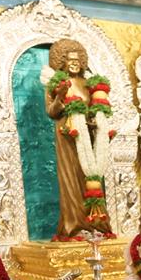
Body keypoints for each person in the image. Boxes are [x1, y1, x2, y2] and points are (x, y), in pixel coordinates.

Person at [45, 39, 113, 239]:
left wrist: (96, 124)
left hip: (90, 136)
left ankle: (97, 225)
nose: (74, 64)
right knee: (71, 180)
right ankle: (74, 225)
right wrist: (60, 97)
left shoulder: (88, 84)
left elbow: (96, 110)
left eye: (77, 60)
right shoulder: (56, 84)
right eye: (69, 60)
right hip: (67, 135)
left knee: (91, 178)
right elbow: (51, 111)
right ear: (62, 63)